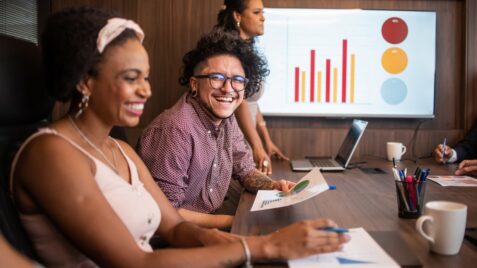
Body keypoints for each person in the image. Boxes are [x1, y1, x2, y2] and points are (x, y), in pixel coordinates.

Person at [10, 7, 349, 267]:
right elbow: (136, 262)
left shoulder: (120, 148)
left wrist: (258, 229)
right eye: (132, 77)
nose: (146, 90)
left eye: (146, 77)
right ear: (84, 81)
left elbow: (175, 228)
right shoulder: (50, 152)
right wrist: (263, 245)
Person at [137, 28, 295, 230]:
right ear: (194, 84)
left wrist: (273, 185)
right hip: (173, 235)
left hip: (208, 221)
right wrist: (238, 223)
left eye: (237, 80)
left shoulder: (227, 119)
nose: (228, 89)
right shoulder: (175, 129)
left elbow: (245, 169)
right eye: (217, 77)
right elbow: (166, 212)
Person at [215, 0, 289, 175]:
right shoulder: (230, 52)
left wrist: (266, 141)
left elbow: (251, 99)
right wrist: (257, 146)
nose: (263, 18)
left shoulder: (248, 49)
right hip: (235, 139)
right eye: (256, 13)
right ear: (237, 16)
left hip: (248, 136)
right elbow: (240, 101)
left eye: (263, 13)